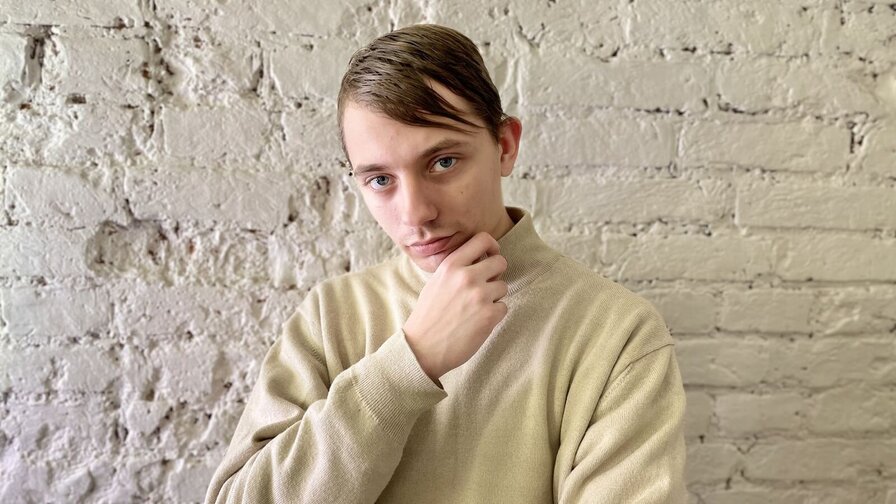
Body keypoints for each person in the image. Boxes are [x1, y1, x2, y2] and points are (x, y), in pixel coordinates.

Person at [205, 24, 687, 503]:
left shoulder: (618, 333)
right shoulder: (330, 316)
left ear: (505, 146)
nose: (416, 213)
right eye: (380, 180)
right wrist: (408, 364)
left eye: (443, 163)